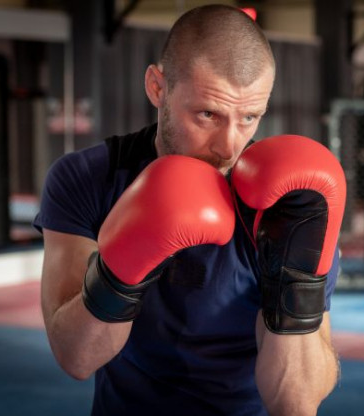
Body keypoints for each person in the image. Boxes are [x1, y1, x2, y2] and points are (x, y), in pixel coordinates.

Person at [33, 5, 345, 415]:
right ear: (157, 87)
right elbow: (76, 358)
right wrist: (120, 272)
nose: (228, 146)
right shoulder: (88, 179)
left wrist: (294, 283)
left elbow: (295, 404)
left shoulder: (290, 202)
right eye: (208, 114)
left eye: (249, 117)